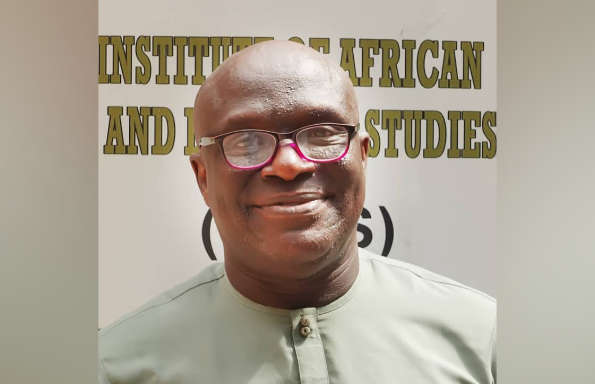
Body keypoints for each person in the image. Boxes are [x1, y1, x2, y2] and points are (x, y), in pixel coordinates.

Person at [98, 40, 496, 384]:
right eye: (245, 140)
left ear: (363, 156)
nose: (289, 165)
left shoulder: (484, 339)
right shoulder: (116, 366)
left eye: (322, 132)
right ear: (203, 177)